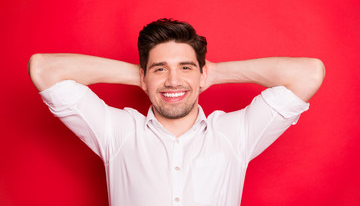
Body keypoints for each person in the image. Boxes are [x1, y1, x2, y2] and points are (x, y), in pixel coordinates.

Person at [28, 18, 325, 206]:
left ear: (203, 75)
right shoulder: (116, 132)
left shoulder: (235, 134)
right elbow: (43, 69)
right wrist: (143, 75)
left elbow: (310, 73)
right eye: (161, 69)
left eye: (186, 67)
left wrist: (214, 72)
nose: (172, 81)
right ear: (143, 76)